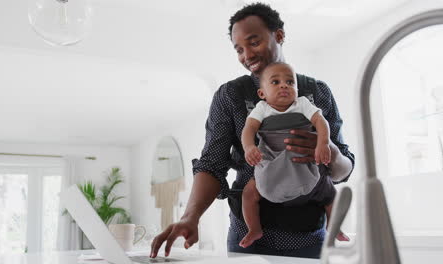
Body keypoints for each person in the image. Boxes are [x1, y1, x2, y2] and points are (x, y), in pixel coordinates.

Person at [150, 3, 354, 259]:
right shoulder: (230, 95)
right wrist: (190, 217)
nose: (247, 55)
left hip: (312, 238)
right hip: (248, 240)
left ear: (279, 36)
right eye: (239, 49)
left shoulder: (317, 92)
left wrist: (330, 151)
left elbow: (343, 170)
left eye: (253, 43)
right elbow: (212, 165)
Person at [239, 62, 349, 248]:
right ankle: (254, 228)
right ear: (262, 93)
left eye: (290, 82)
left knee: (330, 193)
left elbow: (321, 122)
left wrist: (323, 144)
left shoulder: (302, 103)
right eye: (275, 82)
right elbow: (248, 129)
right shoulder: (262, 108)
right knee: (249, 193)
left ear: (297, 89)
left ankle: (334, 224)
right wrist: (249, 147)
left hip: (303, 163)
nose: (284, 85)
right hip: (271, 164)